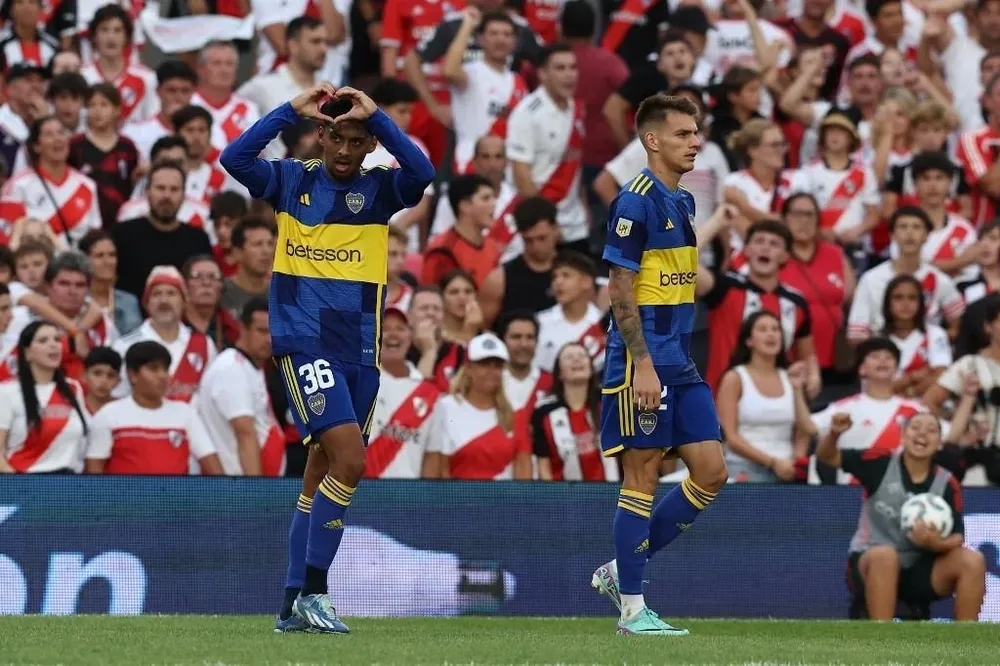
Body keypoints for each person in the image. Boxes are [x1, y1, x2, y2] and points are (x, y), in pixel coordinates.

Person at [220, 83, 434, 634]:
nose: (344, 150)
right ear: (321, 134)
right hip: (304, 342)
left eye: (356, 141)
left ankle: (292, 603)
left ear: (369, 147)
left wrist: (380, 118)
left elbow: (424, 171)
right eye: (336, 137)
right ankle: (316, 591)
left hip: (360, 350)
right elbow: (234, 157)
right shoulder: (292, 179)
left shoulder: (383, 190)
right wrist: (288, 110)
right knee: (352, 461)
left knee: (319, 478)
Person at [593, 94, 727, 636]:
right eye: (683, 134)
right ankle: (631, 610)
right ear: (653, 140)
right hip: (640, 360)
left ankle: (618, 571)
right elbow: (619, 289)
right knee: (642, 474)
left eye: (696, 133)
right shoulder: (635, 201)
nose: (695, 142)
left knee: (712, 471)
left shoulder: (684, 202)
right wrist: (641, 364)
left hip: (679, 358)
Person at [817, 411, 986, 621]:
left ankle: (967, 644)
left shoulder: (947, 483)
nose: (922, 434)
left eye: (931, 430)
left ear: (939, 443)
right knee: (886, 556)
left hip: (920, 569)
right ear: (903, 436)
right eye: (915, 427)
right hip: (871, 561)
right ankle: (884, 639)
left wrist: (934, 543)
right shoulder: (879, 462)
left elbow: (957, 538)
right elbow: (827, 457)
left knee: (973, 560)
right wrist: (834, 434)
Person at [85, 340, 222, 475]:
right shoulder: (109, 415)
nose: (163, 376)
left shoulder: (186, 413)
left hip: (176, 497)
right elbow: (94, 475)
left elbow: (213, 467)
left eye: (165, 369)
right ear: (132, 375)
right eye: (154, 368)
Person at [506, 44, 589, 253]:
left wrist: (584, 206)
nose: (569, 75)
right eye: (560, 68)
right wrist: (545, 223)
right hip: (545, 229)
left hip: (576, 225)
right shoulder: (527, 113)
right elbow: (521, 174)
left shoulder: (575, 108)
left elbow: (574, 164)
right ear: (543, 74)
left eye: (573, 67)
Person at [811, 338, 927, 485]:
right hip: (854, 492)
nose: (882, 361)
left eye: (888, 357)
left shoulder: (916, 410)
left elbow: (947, 435)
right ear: (862, 368)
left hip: (901, 492)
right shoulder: (842, 407)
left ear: (897, 369)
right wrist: (796, 390)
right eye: (875, 357)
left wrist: (967, 397)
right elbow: (808, 427)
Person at [716, 311, 815, 483]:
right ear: (748, 340)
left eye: (776, 329)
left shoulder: (791, 377)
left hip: (787, 468)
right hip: (743, 467)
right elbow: (729, 436)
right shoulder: (735, 378)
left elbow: (803, 430)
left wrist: (796, 462)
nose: (771, 334)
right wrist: (772, 463)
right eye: (762, 329)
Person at [422, 332, 532, 480]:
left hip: (504, 501)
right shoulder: (445, 407)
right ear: (468, 368)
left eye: (497, 366)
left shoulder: (516, 411)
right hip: (456, 500)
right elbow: (439, 466)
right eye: (484, 364)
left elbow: (523, 466)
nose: (491, 371)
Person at [196, 297, 285, 477]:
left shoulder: (250, 366)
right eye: (262, 331)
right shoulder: (231, 369)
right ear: (243, 329)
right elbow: (245, 435)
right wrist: (254, 494)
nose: (269, 339)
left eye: (273, 332)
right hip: (238, 492)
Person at [847, 207, 965, 343]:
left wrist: (929, 345)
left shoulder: (939, 280)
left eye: (916, 227)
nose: (909, 233)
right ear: (892, 235)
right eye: (903, 227)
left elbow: (957, 328)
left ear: (926, 235)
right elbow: (856, 335)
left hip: (926, 359)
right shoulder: (870, 279)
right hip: (883, 355)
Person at [113, 266, 218, 404]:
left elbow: (212, 395)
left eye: (171, 293)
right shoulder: (125, 346)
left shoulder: (204, 344)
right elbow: (117, 396)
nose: (164, 300)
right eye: (156, 294)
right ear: (146, 303)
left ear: (184, 302)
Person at [110, 162, 213, 299]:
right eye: (160, 188)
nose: (167, 196)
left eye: (174, 189)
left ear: (184, 195)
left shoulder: (199, 240)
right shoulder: (121, 234)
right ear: (147, 192)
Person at [443, 9, 525, 174]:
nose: (500, 39)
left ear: (515, 41)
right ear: (480, 39)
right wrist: (467, 26)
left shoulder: (519, 81)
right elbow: (449, 71)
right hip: (469, 164)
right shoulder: (471, 72)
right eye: (493, 33)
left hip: (505, 169)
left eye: (507, 34)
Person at [0, 321, 89, 473]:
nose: (53, 345)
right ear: (27, 352)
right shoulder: (7, 392)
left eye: (57, 339)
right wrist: (15, 486)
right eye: (43, 341)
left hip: (70, 484)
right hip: (24, 483)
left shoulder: (74, 388)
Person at [0, 115, 102, 247]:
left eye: (61, 133)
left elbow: (95, 237)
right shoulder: (18, 185)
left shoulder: (87, 185)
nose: (57, 139)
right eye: (49, 134)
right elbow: (6, 236)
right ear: (37, 146)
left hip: (77, 264)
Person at [364, 306, 440, 478]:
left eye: (400, 328)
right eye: (385, 328)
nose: (393, 334)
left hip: (409, 498)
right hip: (362, 494)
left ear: (411, 338)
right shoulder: (360, 382)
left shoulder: (430, 393)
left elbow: (432, 457)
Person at [533, 341, 616, 481]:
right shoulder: (544, 414)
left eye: (582, 356)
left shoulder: (611, 404)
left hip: (612, 496)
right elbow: (544, 466)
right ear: (559, 373)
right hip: (566, 499)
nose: (576, 359)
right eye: (569, 357)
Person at [479, 196, 559, 327]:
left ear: (555, 229)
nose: (536, 246)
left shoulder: (576, 271)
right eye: (529, 240)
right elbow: (482, 327)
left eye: (542, 238)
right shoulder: (499, 280)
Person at [68, 82, 139, 228]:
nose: (97, 111)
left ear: (117, 110)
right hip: (85, 219)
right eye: (92, 105)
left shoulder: (127, 147)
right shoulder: (75, 145)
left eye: (104, 105)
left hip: (121, 221)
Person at [79, 5, 156, 125]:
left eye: (117, 30)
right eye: (104, 30)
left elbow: (151, 121)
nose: (111, 37)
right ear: (94, 37)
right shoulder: (82, 77)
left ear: (127, 37)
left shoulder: (147, 78)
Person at [421, 174, 501, 287]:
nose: (493, 204)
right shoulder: (442, 251)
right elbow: (432, 296)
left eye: (493, 198)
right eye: (486, 198)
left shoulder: (492, 247)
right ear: (465, 206)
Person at [881, 275, 952, 399]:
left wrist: (910, 391)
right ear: (888, 303)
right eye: (898, 298)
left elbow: (942, 377)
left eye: (912, 298)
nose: (905, 304)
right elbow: (877, 388)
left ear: (921, 303)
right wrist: (911, 377)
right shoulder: (878, 339)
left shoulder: (935, 334)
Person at [534, 250, 605, 373]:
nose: (558, 282)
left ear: (586, 282)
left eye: (566, 275)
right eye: (555, 277)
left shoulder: (604, 326)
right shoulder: (539, 322)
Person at [121, 60, 197, 163]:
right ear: (158, 91)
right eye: (171, 90)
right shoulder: (134, 133)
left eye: (185, 91)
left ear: (193, 92)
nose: (178, 97)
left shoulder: (208, 131)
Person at [77, 230, 142, 336]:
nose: (108, 261)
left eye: (112, 255)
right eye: (99, 256)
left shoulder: (129, 301)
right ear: (84, 260)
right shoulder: (76, 300)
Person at [499, 310, 552, 424]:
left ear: (537, 342)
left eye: (530, 337)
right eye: (516, 337)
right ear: (503, 341)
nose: (524, 344)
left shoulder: (551, 382)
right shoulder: (491, 381)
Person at [219, 217, 276, 320]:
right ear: (237, 252)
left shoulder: (282, 293)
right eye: (258, 244)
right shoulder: (220, 293)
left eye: (270, 244)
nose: (266, 251)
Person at [182, 255, 240, 351]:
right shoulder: (175, 323)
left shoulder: (232, 330)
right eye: (197, 276)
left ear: (221, 286)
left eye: (213, 277)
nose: (206, 282)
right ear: (185, 285)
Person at [81, 346, 121, 416]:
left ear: (118, 381)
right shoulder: (74, 409)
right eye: (97, 373)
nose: (104, 381)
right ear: (84, 376)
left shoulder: (124, 410)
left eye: (110, 375)